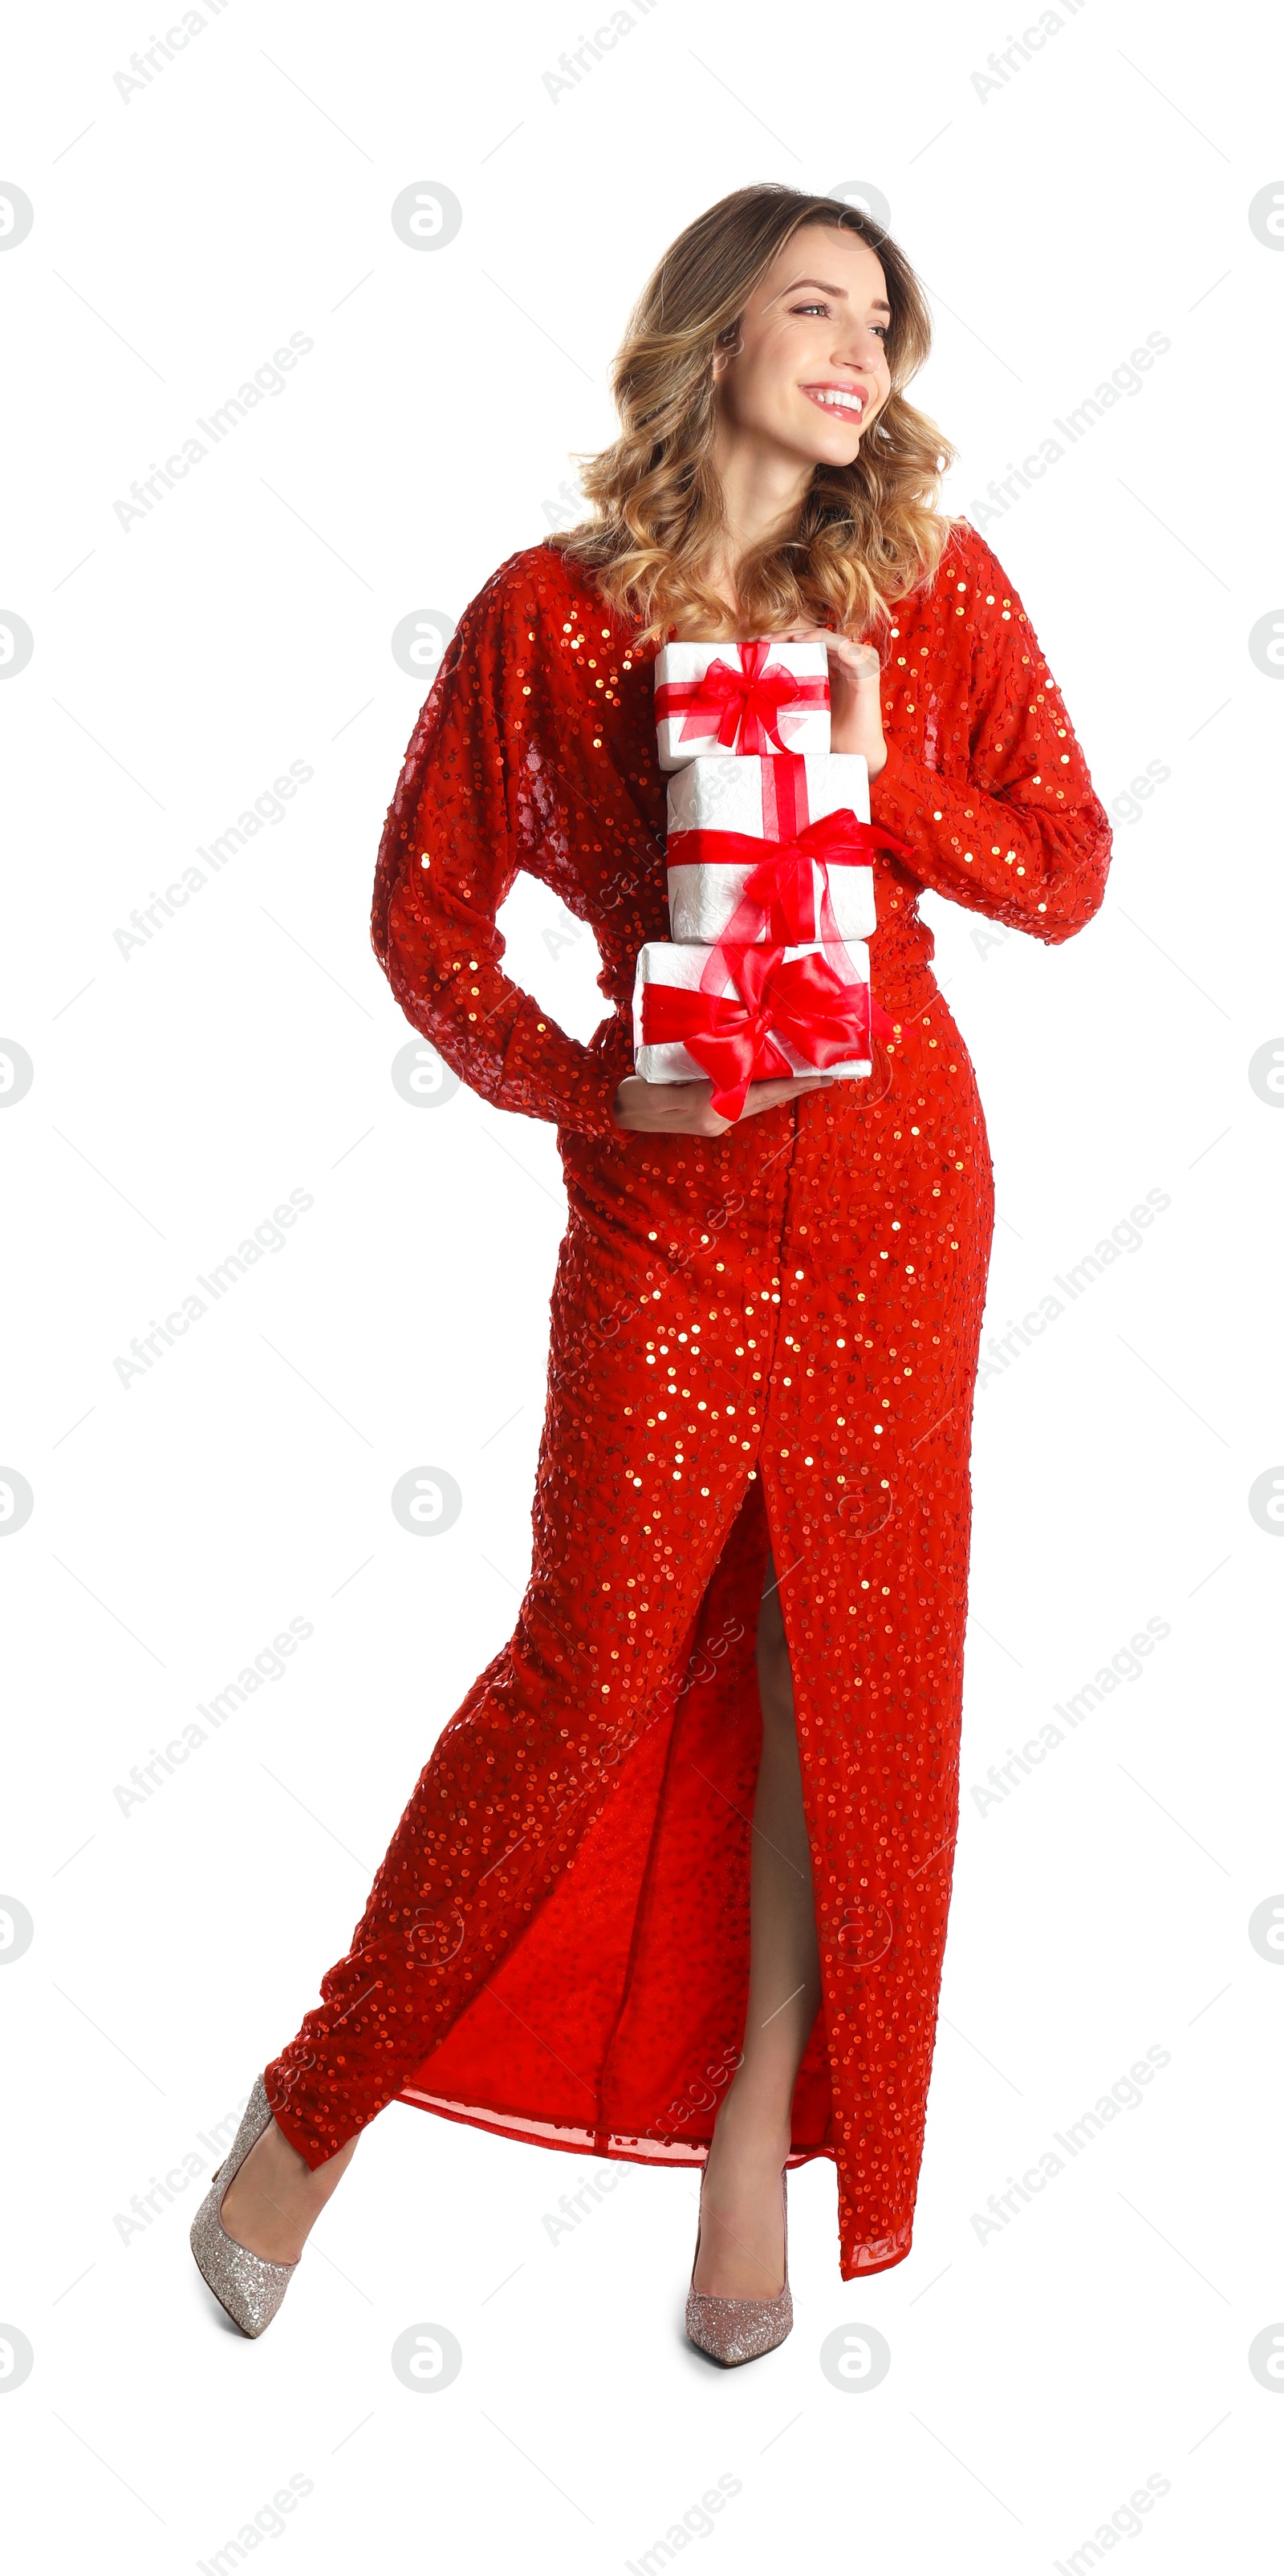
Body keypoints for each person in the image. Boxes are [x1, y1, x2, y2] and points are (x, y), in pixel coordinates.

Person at [191, 183, 1111, 2363]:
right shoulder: (554, 613)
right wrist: (594, 1089)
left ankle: (749, 2158)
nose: (861, 346)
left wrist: (896, 792)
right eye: (815, 305)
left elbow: (1070, 872)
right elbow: (427, 929)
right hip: (673, 1218)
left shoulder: (933, 592)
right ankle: (302, 2122)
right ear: (711, 338)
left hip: (898, 1200)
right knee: (583, 1679)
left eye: (882, 317)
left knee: (842, 1680)